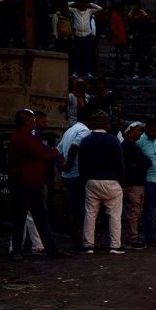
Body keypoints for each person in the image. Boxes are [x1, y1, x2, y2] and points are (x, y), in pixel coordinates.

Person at [8, 109, 65, 261]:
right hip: (24, 182)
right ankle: (19, 250)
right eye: (32, 121)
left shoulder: (25, 136)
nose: (34, 123)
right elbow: (40, 153)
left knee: (35, 217)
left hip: (29, 181)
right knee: (25, 217)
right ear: (26, 122)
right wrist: (53, 153)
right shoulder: (23, 137)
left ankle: (46, 248)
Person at [78, 110, 125, 254]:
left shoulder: (86, 141)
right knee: (114, 215)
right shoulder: (113, 140)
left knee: (90, 214)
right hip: (111, 181)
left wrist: (85, 179)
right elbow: (120, 163)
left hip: (92, 180)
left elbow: (82, 164)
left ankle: (88, 245)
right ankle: (115, 245)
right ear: (107, 124)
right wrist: (121, 181)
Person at [57, 107, 92, 251]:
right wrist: (69, 164)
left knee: (74, 207)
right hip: (76, 173)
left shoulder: (70, 130)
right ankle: (77, 240)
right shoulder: (84, 131)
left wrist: (63, 166)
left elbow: (58, 150)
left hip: (68, 175)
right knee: (79, 208)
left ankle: (75, 238)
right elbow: (74, 146)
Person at [68, 0, 102, 77]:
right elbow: (65, 6)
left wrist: (90, 4)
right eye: (81, 4)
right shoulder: (74, 10)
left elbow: (100, 8)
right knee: (77, 54)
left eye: (84, 4)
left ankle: (88, 72)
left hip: (87, 36)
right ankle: (75, 72)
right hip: (77, 35)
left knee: (88, 54)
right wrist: (74, 3)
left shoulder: (89, 11)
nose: (82, 6)